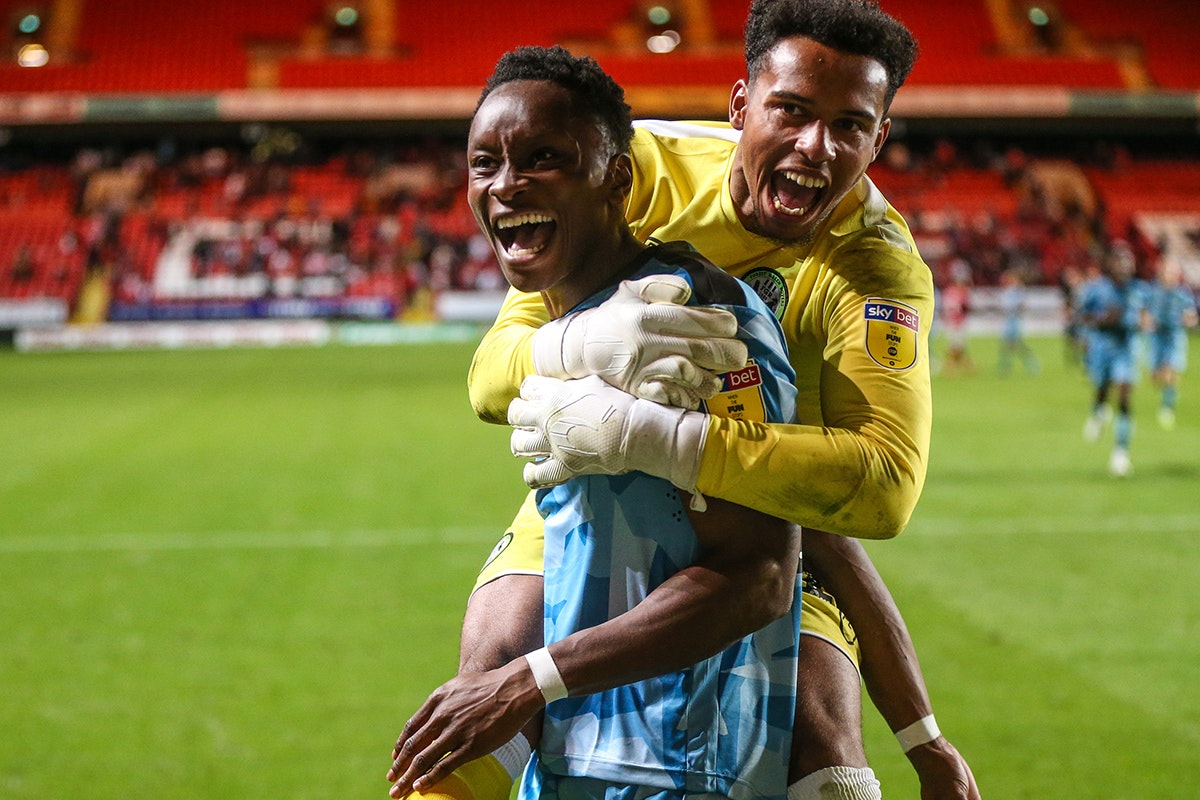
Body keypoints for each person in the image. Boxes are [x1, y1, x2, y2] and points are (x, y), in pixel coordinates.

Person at [395, 2, 979, 799]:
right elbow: (491, 375)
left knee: (830, 761)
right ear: (742, 106)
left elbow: (881, 487)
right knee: (475, 701)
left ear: (878, 140)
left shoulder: (877, 268)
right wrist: (577, 346)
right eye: (793, 111)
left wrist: (653, 435)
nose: (816, 146)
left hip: (763, 510)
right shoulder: (636, 169)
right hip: (593, 465)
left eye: (850, 126)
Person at [390, 46, 810, 800]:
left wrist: (525, 680)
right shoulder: (573, 327)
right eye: (484, 164)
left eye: (543, 158)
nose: (506, 186)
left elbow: (759, 575)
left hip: (682, 764)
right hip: (575, 752)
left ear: (616, 177)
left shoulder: (696, 325)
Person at [1078, 240, 1145, 476]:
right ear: (1110, 264)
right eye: (1119, 260)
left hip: (1127, 349)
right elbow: (1080, 316)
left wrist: (1146, 321)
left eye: (1128, 260)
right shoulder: (1097, 289)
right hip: (1102, 348)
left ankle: (1120, 453)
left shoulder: (1138, 290)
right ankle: (1097, 412)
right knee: (1102, 389)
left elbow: (1149, 314)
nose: (1124, 265)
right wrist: (1102, 319)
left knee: (1125, 397)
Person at [1142, 257, 1197, 429]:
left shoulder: (1183, 293)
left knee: (1170, 370)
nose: (1169, 275)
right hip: (1156, 336)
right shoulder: (1152, 291)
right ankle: (1168, 391)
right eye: (1166, 272)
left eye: (1172, 272)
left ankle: (1167, 406)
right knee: (1156, 377)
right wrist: (1145, 322)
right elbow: (1144, 311)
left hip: (1174, 336)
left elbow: (1191, 316)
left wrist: (1188, 320)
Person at [997, 267, 1040, 376]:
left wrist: (1013, 310)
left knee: (1014, 344)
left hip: (1014, 321)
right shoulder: (1007, 291)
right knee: (1010, 344)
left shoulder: (1018, 290)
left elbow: (1022, 306)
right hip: (1008, 321)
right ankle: (1008, 365)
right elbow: (1003, 307)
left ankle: (1030, 363)